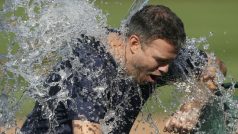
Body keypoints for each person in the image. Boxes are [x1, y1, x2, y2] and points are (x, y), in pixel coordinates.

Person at [20, 5, 226, 134]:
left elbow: (215, 65)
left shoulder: (158, 61)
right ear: (134, 43)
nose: (166, 70)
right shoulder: (92, 68)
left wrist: (192, 107)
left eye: (170, 61)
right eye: (160, 61)